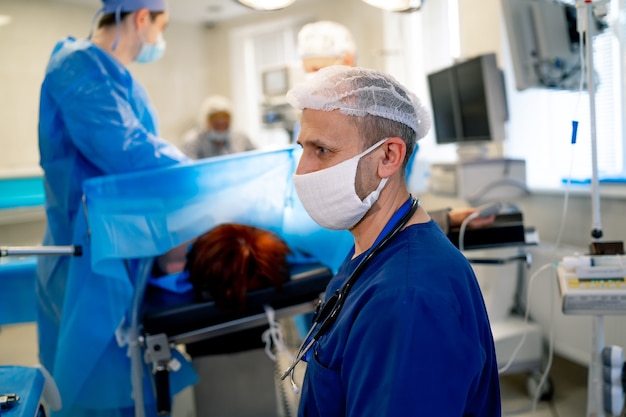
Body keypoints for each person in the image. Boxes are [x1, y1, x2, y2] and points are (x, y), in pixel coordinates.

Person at [282, 65, 501, 416]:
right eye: (303, 148)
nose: (302, 170)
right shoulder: (372, 249)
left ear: (389, 157)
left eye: (322, 150)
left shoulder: (408, 299)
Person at [37, 0, 196, 415]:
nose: (158, 40)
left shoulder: (118, 79)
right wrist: (200, 178)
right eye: (160, 27)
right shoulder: (77, 68)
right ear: (141, 18)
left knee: (126, 385)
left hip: (116, 247)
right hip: (89, 259)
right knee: (94, 390)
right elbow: (128, 151)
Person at [295, 20, 495, 234]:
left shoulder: (380, 128)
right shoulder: (308, 126)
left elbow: (387, 208)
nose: (315, 78)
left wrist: (438, 221)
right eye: (308, 69)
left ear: (348, 61)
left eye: (319, 68)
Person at [180, 94, 255, 159]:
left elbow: (256, 159)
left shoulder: (241, 139)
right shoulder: (193, 142)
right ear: (206, 122)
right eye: (217, 124)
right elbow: (189, 170)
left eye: (225, 124)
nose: (221, 129)